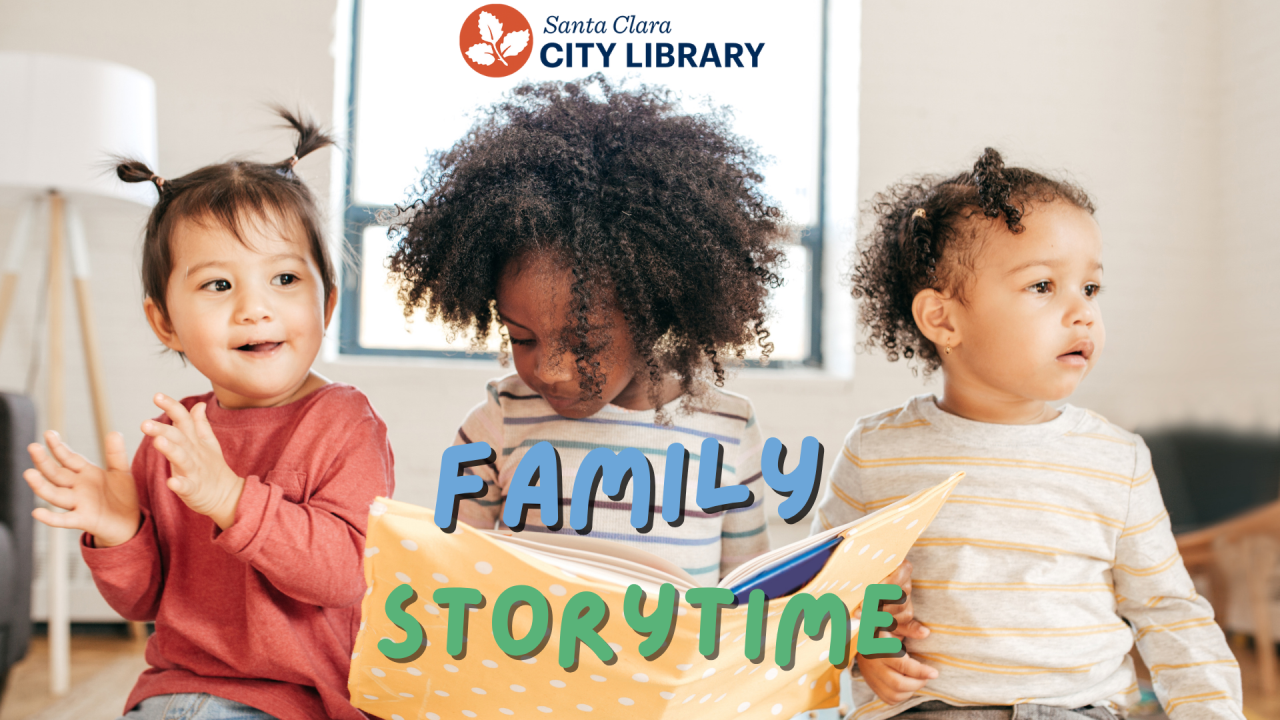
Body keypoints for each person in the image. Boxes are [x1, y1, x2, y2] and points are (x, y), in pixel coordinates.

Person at [813, 149, 1243, 720]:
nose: (1083, 313)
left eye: (1090, 289)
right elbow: (818, 593)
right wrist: (861, 648)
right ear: (942, 319)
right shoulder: (875, 453)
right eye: (1043, 285)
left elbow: (1169, 611)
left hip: (1079, 710)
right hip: (929, 709)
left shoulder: (1118, 461)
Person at [23, 110, 393, 720]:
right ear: (164, 321)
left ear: (325, 304)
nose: (254, 308)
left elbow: (345, 575)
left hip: (296, 704)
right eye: (218, 286)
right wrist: (120, 531)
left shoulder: (344, 423)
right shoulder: (174, 436)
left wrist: (230, 498)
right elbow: (144, 601)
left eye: (283, 278)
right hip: (171, 692)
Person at [388, 74, 785, 582]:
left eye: (584, 343)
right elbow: (445, 577)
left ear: (656, 310)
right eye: (522, 338)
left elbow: (747, 599)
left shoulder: (729, 430)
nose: (549, 370)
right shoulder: (497, 424)